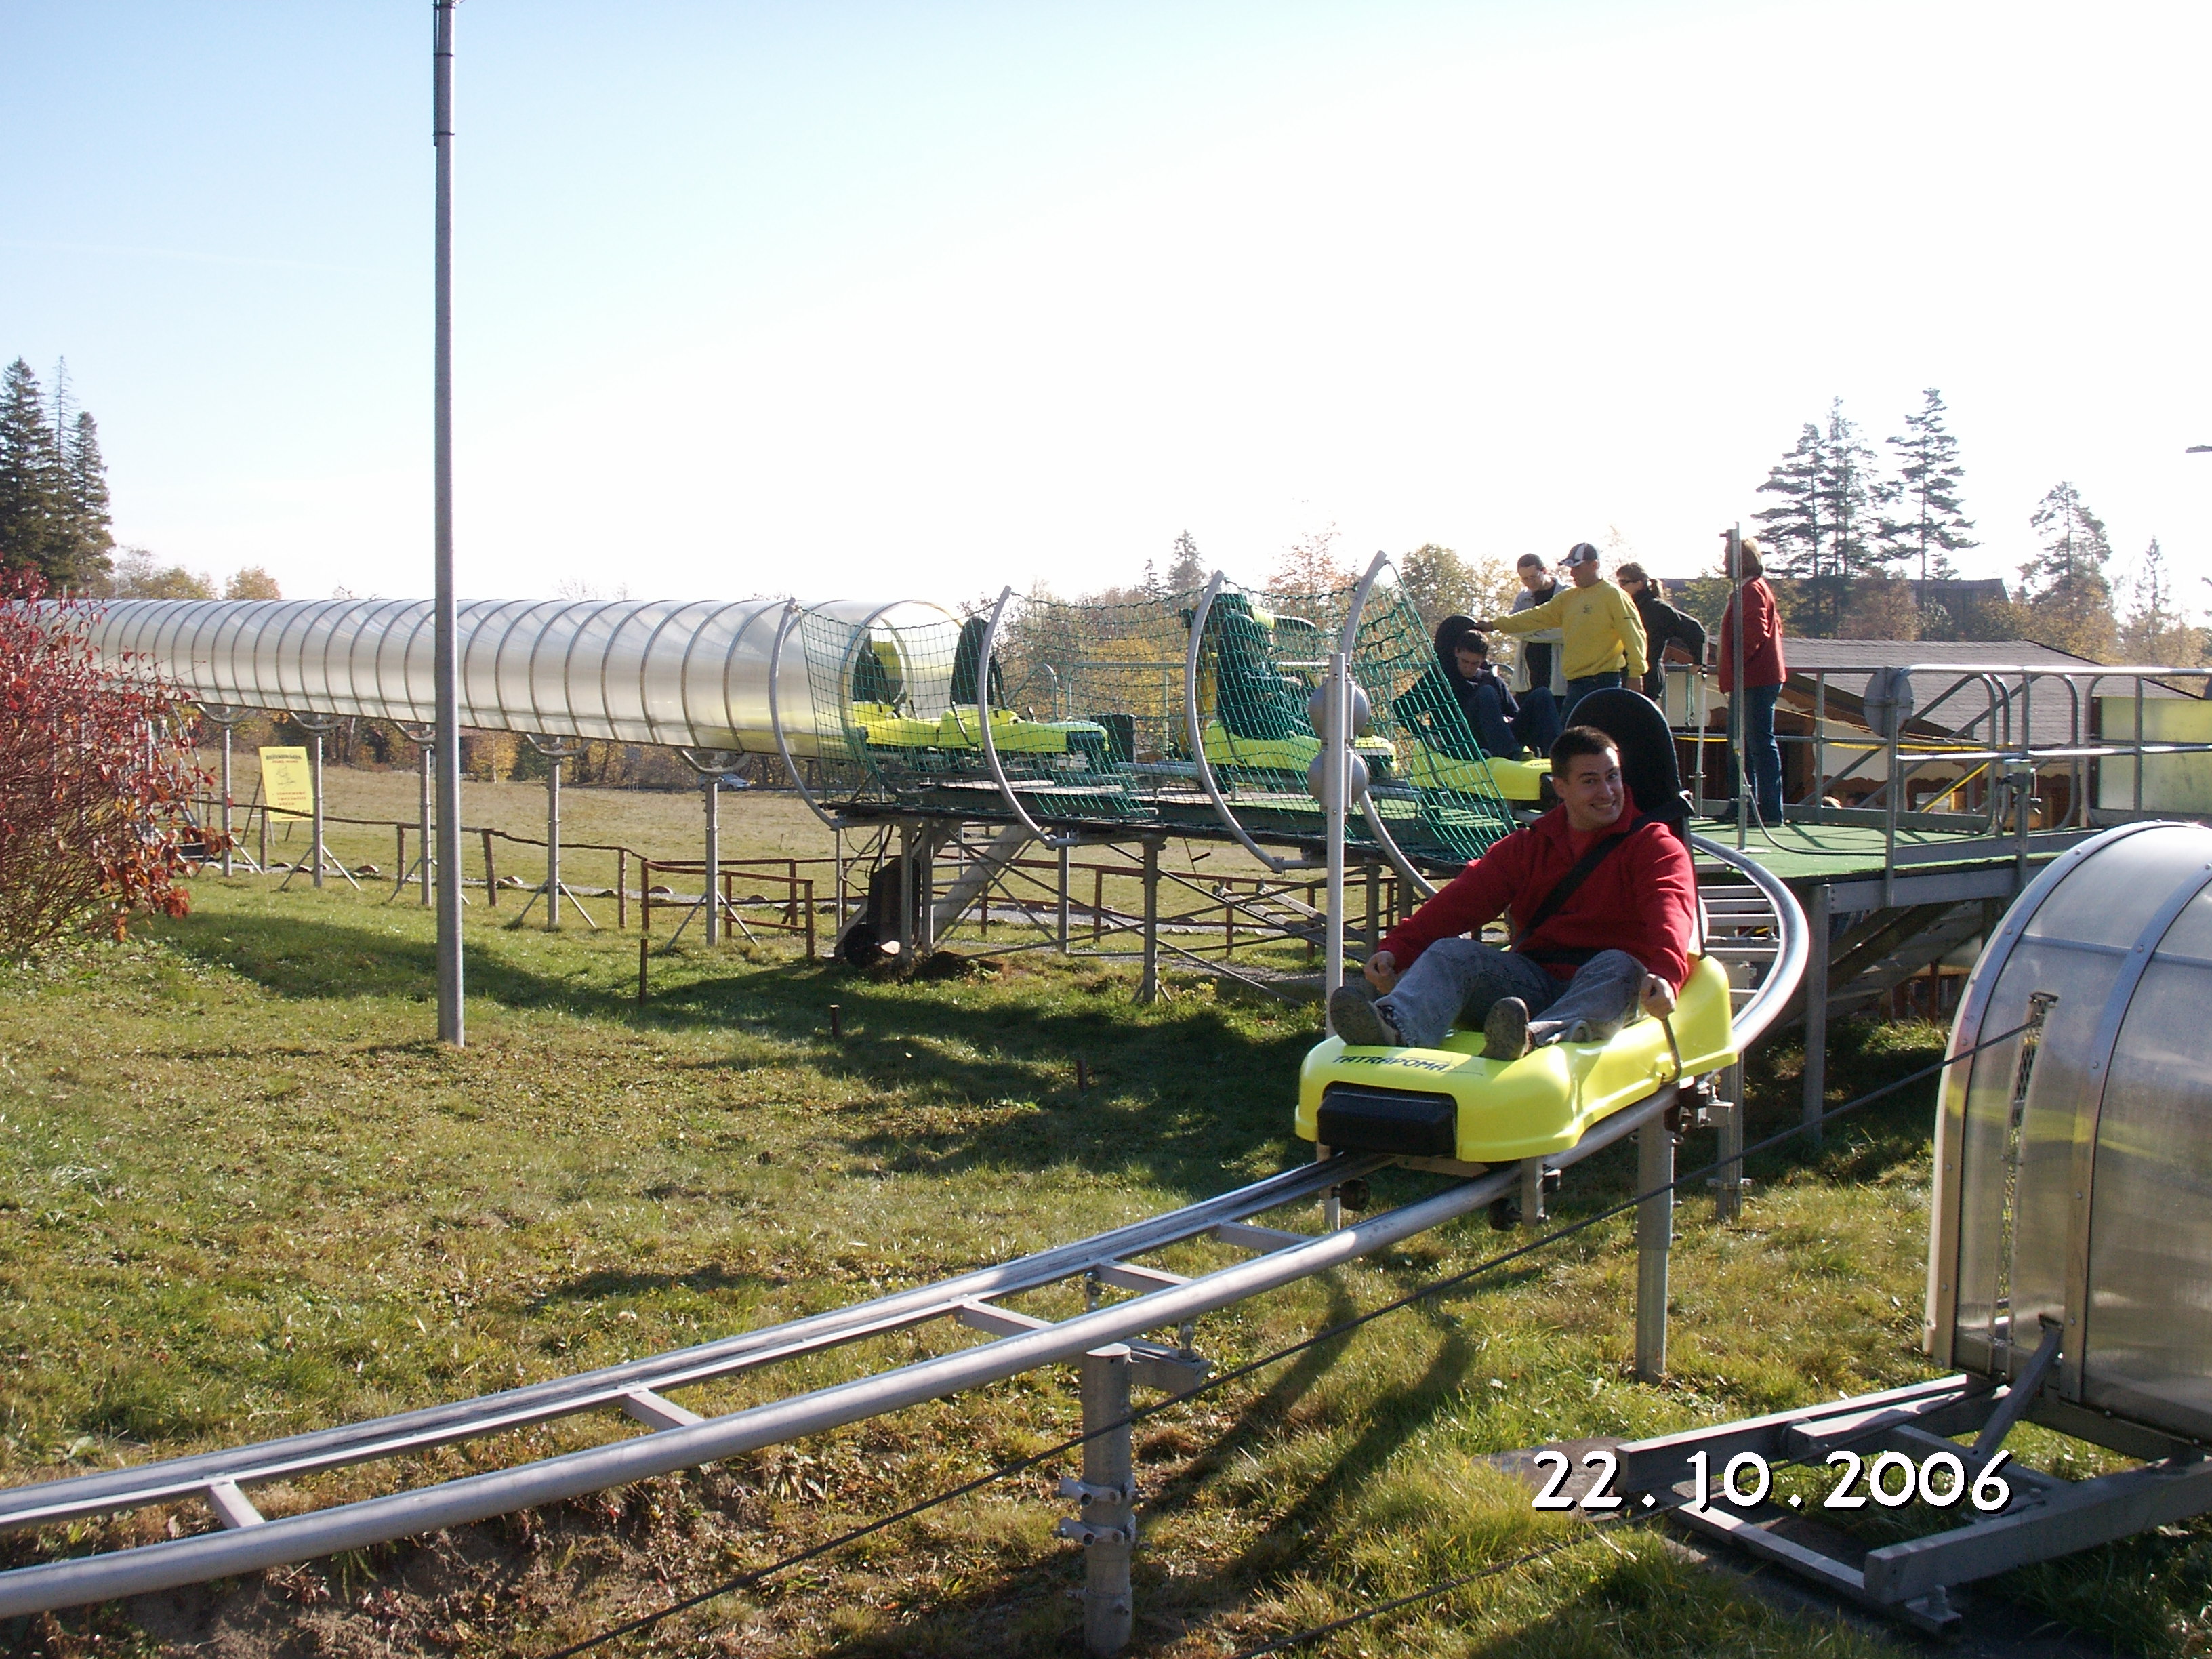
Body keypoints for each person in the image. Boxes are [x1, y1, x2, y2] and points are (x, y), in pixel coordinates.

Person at [1328, 725, 1696, 1059]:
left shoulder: (1654, 846)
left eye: (1612, 776)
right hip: (1533, 980)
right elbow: (1462, 900)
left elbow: (1671, 911)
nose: (1607, 792)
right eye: (1590, 781)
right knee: (1451, 952)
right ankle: (1394, 1026)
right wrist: (1397, 948)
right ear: (1561, 787)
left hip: (1607, 985)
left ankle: (1531, 1039)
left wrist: (1666, 973)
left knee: (1619, 966)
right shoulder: (1529, 846)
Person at [1479, 544, 1647, 724]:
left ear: (1594, 565)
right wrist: (1494, 624)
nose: (1572, 573)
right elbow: (1535, 617)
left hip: (1603, 681)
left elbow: (1634, 636)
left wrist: (1636, 674)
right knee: (1570, 735)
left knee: (1596, 733)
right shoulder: (1569, 597)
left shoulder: (1614, 595)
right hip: (1574, 683)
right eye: (1570, 568)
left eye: (1577, 567)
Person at [1717, 534, 1786, 826]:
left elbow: (1756, 632)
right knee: (1745, 743)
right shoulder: (1751, 589)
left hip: (1754, 678)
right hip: (1751, 677)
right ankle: (1745, 805)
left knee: (1756, 742)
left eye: (1728, 557)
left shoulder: (1752, 590)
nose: (1724, 562)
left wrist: (1737, 665)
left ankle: (1767, 809)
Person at [1416, 615, 1522, 759]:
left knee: (1542, 695)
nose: (1468, 668)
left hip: (1489, 739)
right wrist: (1426, 734)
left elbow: (1516, 716)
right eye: (1464, 661)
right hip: (1458, 741)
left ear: (1483, 660)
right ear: (1457, 652)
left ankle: (1548, 756)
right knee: (1486, 692)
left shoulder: (1491, 679)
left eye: (1475, 664)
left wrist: (1505, 720)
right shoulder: (1439, 678)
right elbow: (1400, 707)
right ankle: (1510, 754)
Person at [1612, 563, 1706, 703]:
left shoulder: (1657, 609)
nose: (1620, 587)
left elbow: (1694, 630)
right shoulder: (1622, 606)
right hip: (1621, 675)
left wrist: (1698, 661)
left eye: (1624, 582)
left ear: (1640, 584)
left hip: (1648, 677)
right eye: (1619, 582)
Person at [1507, 553, 1562, 755]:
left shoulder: (1566, 595)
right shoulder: (1523, 597)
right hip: (1528, 677)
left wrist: (1529, 631)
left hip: (1558, 678)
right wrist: (1544, 631)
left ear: (1544, 571)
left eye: (1533, 577)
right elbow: (1511, 627)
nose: (1529, 583)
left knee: (1555, 731)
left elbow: (1565, 633)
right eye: (1524, 579)